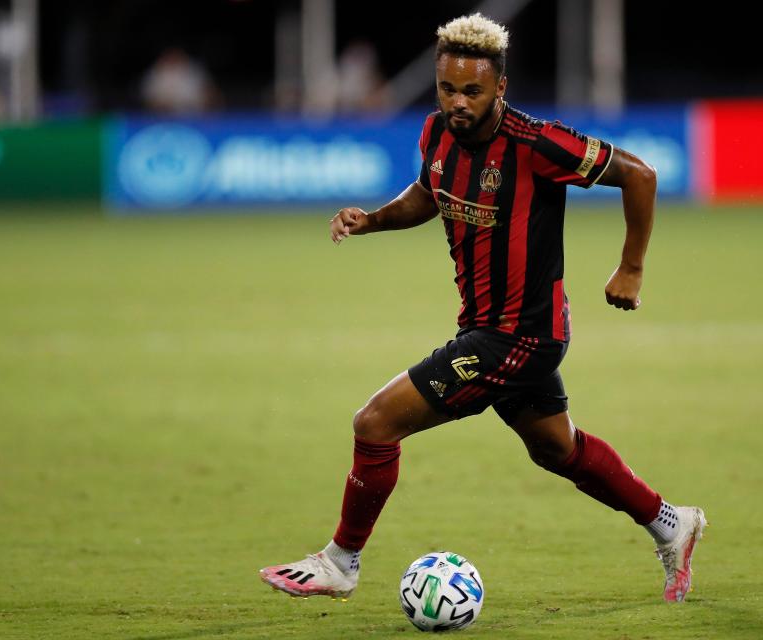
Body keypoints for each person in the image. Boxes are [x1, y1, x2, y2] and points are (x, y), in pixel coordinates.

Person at [260, 13, 706, 604]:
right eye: (448, 88)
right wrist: (372, 219)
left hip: (517, 336)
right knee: (556, 449)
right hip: (493, 328)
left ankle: (341, 561)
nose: (458, 102)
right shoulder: (437, 134)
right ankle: (672, 524)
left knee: (374, 423)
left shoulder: (537, 142)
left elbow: (640, 175)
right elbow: (428, 193)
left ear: (500, 87)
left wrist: (631, 267)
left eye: (472, 90)